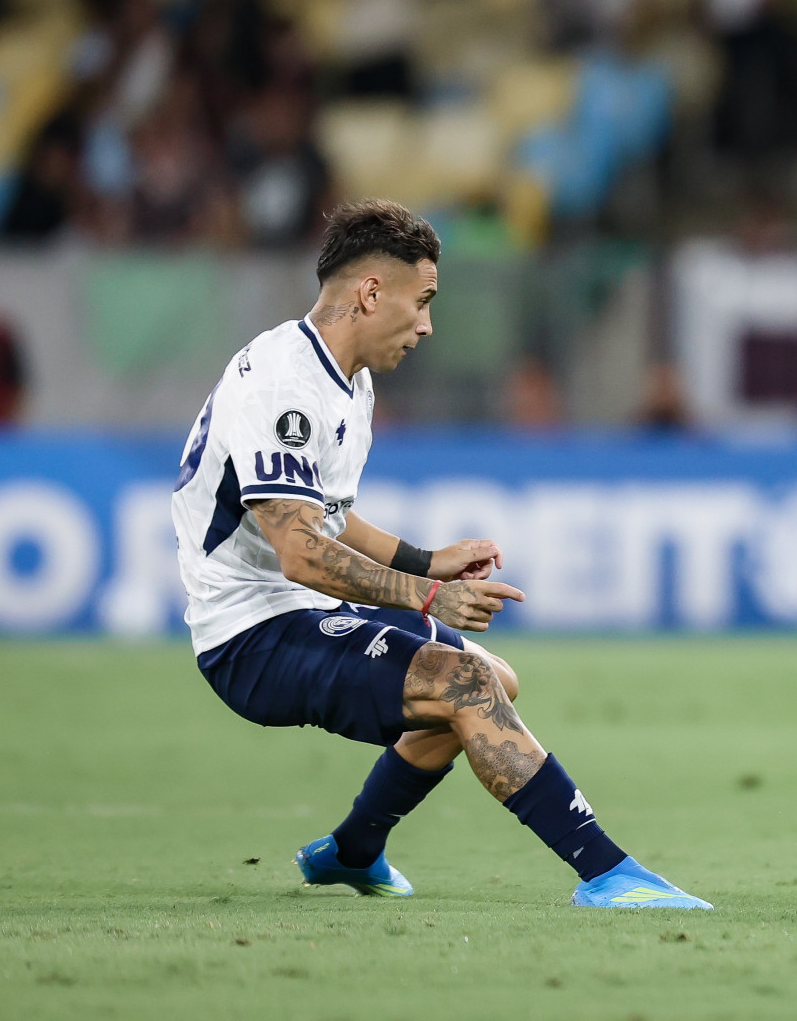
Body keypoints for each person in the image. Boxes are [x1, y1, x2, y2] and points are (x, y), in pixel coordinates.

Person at [171, 199, 709, 910]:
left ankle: (354, 851)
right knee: (463, 686)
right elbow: (300, 550)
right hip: (252, 637)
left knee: (493, 680)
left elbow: (330, 516)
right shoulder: (283, 387)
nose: (427, 325)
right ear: (370, 293)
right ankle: (607, 873)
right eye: (421, 302)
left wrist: (428, 561)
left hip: (300, 611)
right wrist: (426, 597)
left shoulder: (344, 378)